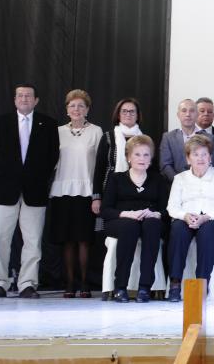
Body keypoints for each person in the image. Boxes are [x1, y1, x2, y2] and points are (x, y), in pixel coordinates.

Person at [0, 84, 60, 299]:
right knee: (0, 238)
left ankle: (27, 283)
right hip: (4, 190)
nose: (24, 99)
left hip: (35, 191)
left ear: (36, 100)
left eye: (28, 95)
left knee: (33, 240)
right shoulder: (0, 123)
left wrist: (36, 177)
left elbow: (52, 157)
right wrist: (9, 175)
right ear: (14, 99)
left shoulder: (48, 124)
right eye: (20, 95)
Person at [48, 89, 103, 298]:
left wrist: (98, 194)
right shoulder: (58, 131)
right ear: (67, 109)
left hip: (86, 190)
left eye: (81, 105)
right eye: (72, 106)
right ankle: (69, 283)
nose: (76, 109)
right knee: (67, 240)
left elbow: (100, 165)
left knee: (84, 240)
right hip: (62, 190)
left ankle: (85, 283)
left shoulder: (96, 131)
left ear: (87, 109)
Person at [100, 135, 167, 303]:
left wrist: (155, 214)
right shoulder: (116, 179)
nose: (142, 159)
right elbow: (105, 210)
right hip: (120, 220)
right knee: (130, 227)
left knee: (152, 225)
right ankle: (120, 286)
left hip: (149, 219)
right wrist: (128, 214)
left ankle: (145, 287)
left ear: (151, 158)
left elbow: (166, 209)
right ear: (128, 157)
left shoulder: (158, 179)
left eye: (146, 155)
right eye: (137, 154)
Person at [166, 135, 214, 302]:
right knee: (178, 229)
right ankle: (175, 283)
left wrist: (206, 217)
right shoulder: (180, 178)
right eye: (195, 155)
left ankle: (202, 283)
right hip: (186, 218)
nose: (200, 158)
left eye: (204, 154)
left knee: (208, 230)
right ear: (188, 158)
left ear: (210, 157)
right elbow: (172, 207)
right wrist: (185, 216)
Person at [93, 98, 145, 216]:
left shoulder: (144, 139)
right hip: (110, 190)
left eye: (132, 111)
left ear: (137, 115)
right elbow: (99, 169)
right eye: (124, 111)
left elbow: (152, 168)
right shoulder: (108, 137)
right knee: (109, 226)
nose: (128, 114)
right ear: (118, 115)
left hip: (138, 191)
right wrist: (96, 197)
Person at [160, 99, 214, 183]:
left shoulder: (209, 138)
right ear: (178, 115)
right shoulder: (168, 137)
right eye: (184, 111)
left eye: (192, 111)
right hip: (175, 185)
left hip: (202, 185)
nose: (188, 114)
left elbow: (211, 164)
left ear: (197, 114)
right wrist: (179, 182)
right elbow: (165, 165)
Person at [196, 97, 214, 164]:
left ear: (213, 115)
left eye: (210, 112)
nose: (206, 114)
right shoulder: (187, 134)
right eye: (202, 111)